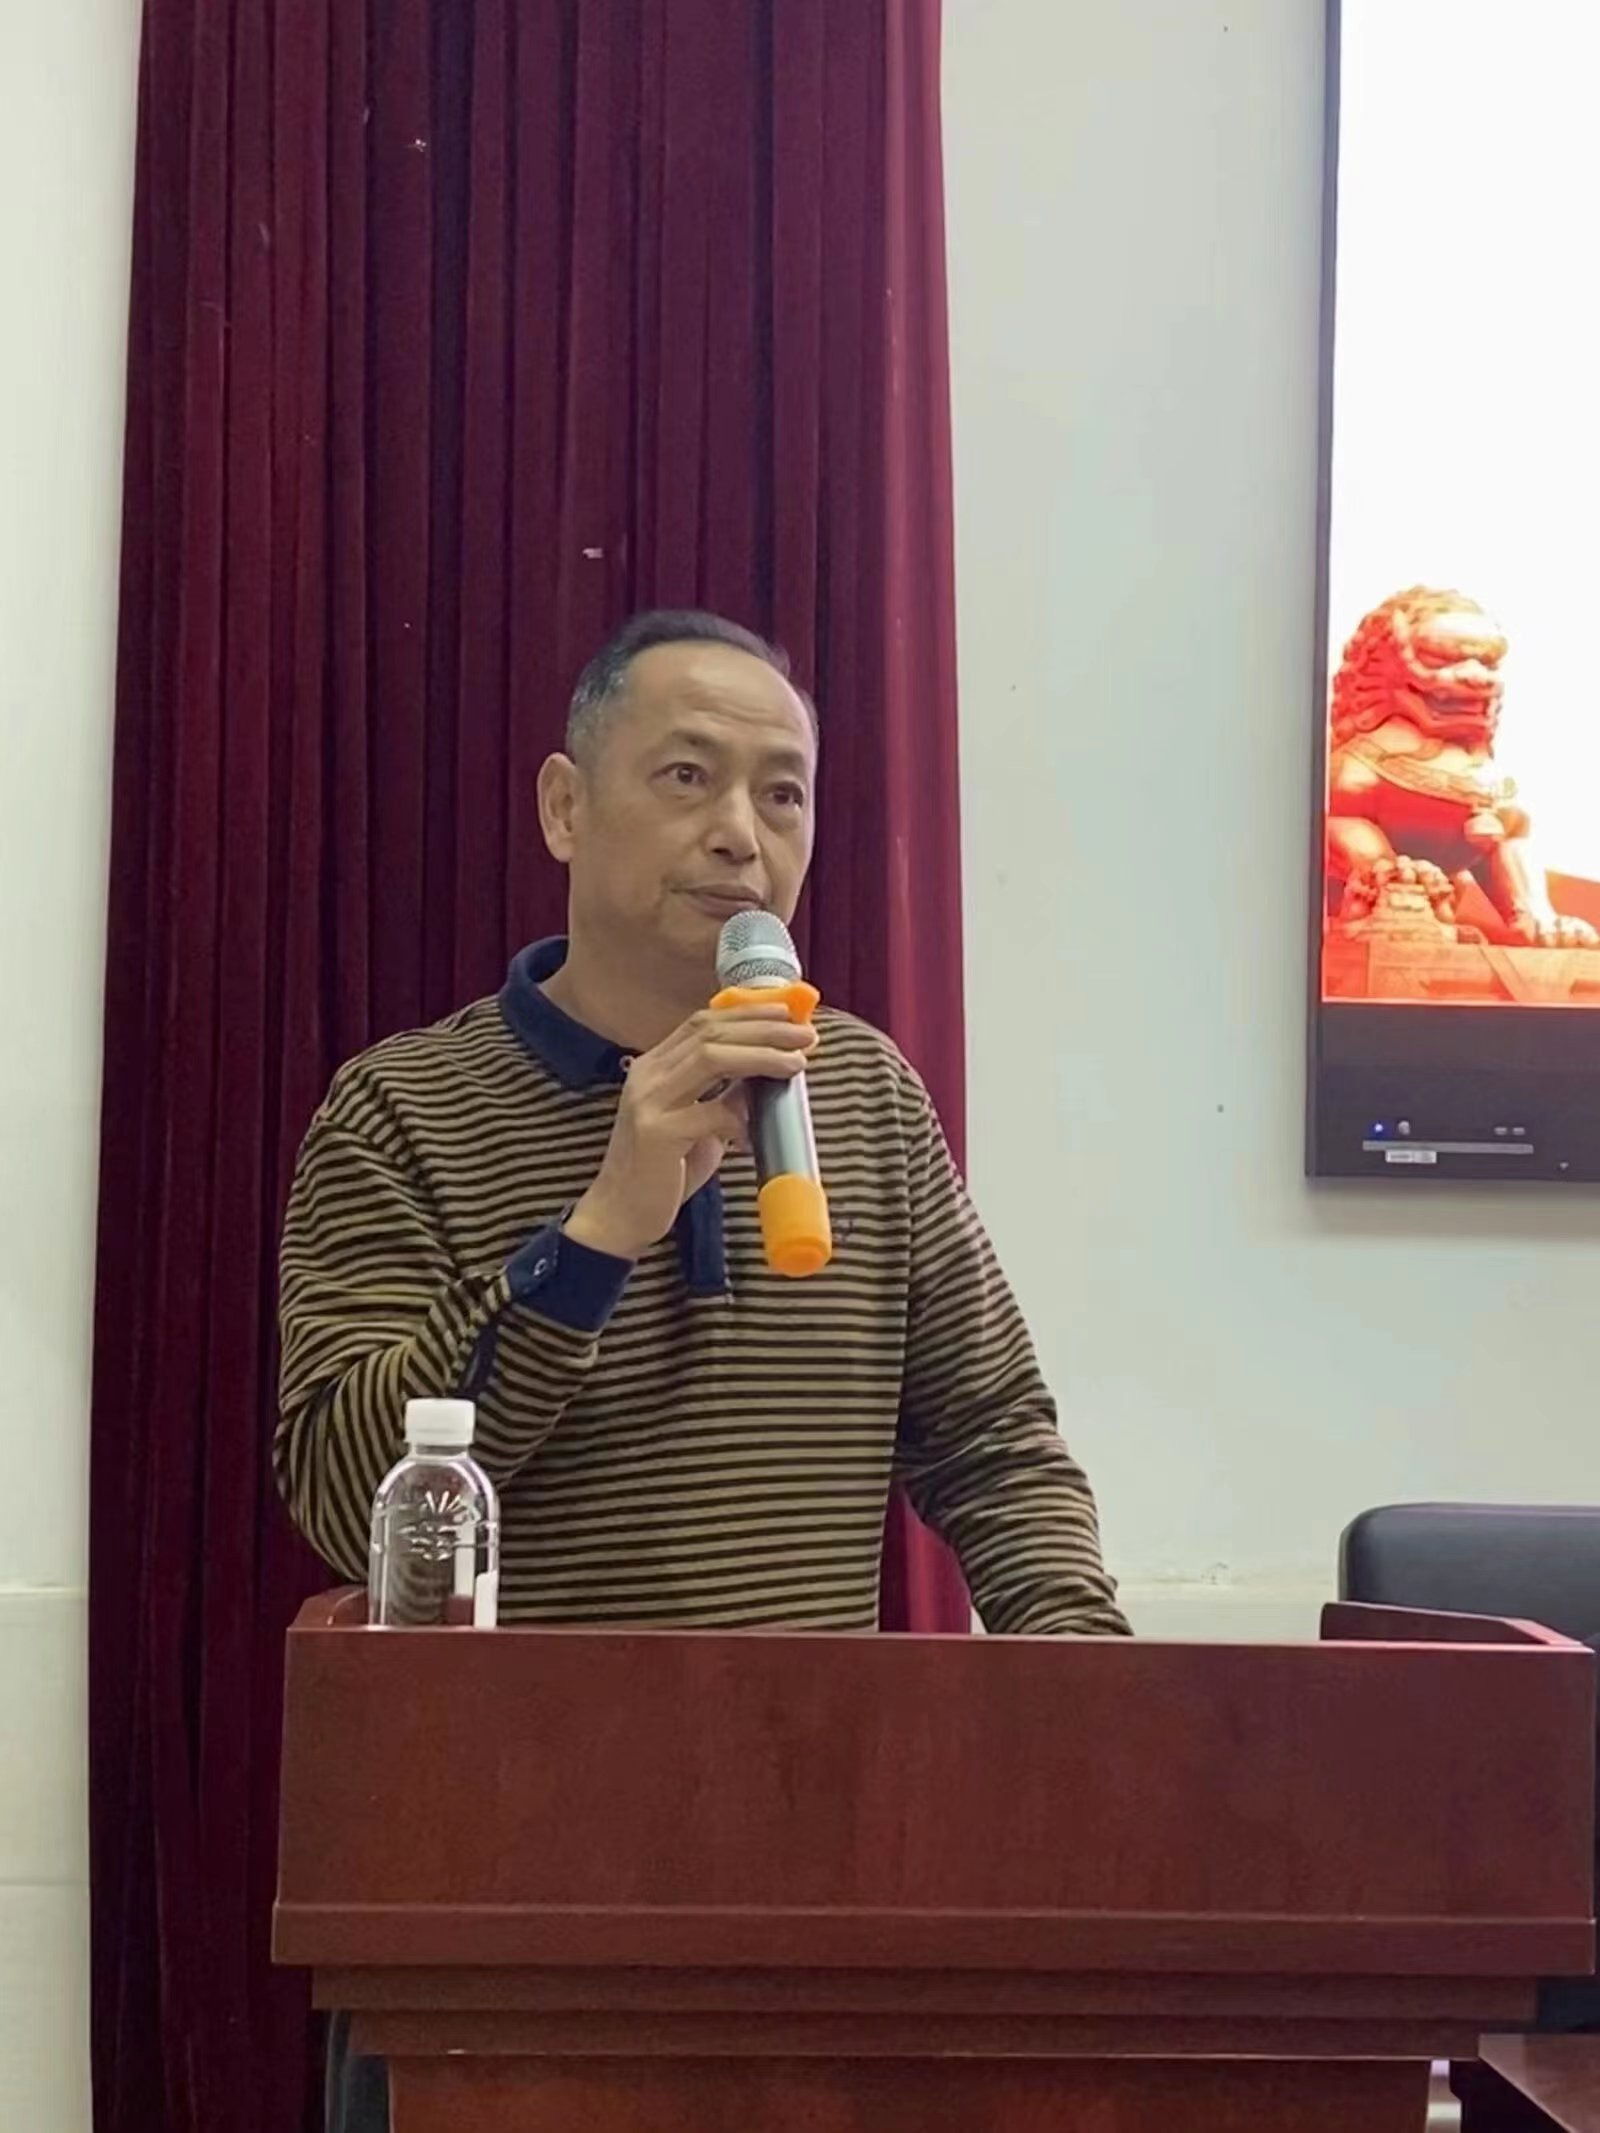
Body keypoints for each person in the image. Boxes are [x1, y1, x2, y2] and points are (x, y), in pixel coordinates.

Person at [276, 609, 1128, 2133]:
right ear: (565, 806)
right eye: (687, 776)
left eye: (783, 792)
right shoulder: (401, 1109)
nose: (743, 832)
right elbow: (354, 1498)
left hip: (816, 1866)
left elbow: (997, 1443)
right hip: (501, 1887)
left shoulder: (862, 1095)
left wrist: (1097, 1703)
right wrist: (602, 1221)